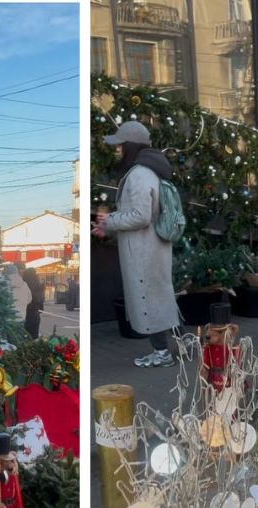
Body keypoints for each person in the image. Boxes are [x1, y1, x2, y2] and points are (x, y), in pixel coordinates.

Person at [93, 120, 180, 367]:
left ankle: (162, 353)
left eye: (121, 145)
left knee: (149, 300)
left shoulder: (139, 174)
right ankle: (184, 346)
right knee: (161, 297)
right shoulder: (149, 170)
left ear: (131, 145)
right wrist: (108, 225)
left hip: (143, 251)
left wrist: (109, 220)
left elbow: (142, 216)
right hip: (151, 247)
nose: (117, 150)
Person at [22, 268, 43, 338]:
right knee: (34, 339)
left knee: (23, 340)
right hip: (35, 315)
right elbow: (41, 301)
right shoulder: (38, 285)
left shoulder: (24, 285)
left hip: (25, 315)